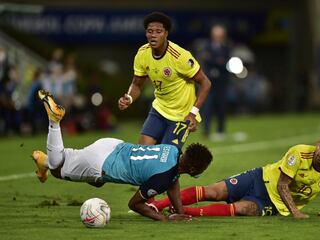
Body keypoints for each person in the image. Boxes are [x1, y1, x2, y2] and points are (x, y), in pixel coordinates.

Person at [32, 90, 213, 221]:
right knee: (58, 168)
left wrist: (179, 211)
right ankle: (54, 121)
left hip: (112, 145)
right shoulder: (163, 177)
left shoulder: (174, 149)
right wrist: (164, 219)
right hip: (101, 163)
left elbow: (180, 131)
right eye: (202, 169)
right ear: (192, 169)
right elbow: (134, 204)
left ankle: (43, 161)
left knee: (95, 182)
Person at [150, 133, 320, 218]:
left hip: (274, 203)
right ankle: (154, 206)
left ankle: (180, 212)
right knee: (215, 192)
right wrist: (296, 212)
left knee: (243, 209)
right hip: (259, 178)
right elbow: (282, 185)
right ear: (317, 144)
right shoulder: (299, 153)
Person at [118, 12, 211, 150]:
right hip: (159, 110)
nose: (153, 35)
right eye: (150, 31)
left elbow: (205, 83)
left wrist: (193, 113)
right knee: (140, 153)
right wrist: (129, 97)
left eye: (158, 31)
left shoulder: (180, 56)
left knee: (166, 159)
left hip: (181, 116)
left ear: (166, 33)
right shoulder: (142, 54)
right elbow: (137, 84)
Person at [196, 24, 231, 141]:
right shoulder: (206, 47)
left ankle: (220, 131)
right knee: (207, 107)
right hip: (209, 83)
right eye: (216, 35)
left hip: (222, 83)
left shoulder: (226, 47)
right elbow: (207, 59)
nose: (219, 37)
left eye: (220, 35)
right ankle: (206, 131)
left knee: (221, 106)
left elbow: (225, 61)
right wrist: (217, 61)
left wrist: (214, 60)